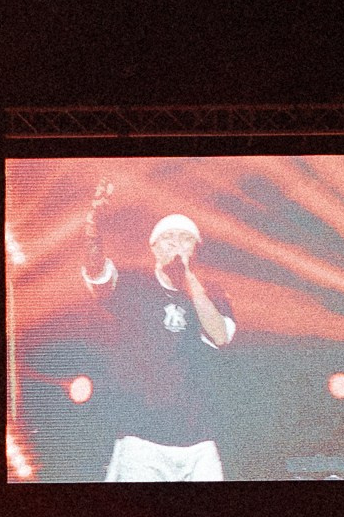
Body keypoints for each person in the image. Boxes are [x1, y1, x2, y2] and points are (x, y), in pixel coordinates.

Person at [80, 188, 237, 481]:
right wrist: (92, 229)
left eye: (185, 238)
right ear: (153, 247)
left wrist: (189, 279)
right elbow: (98, 275)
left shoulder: (211, 294)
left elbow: (220, 336)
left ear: (196, 249)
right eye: (169, 238)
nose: (177, 245)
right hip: (142, 439)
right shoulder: (134, 285)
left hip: (198, 441)